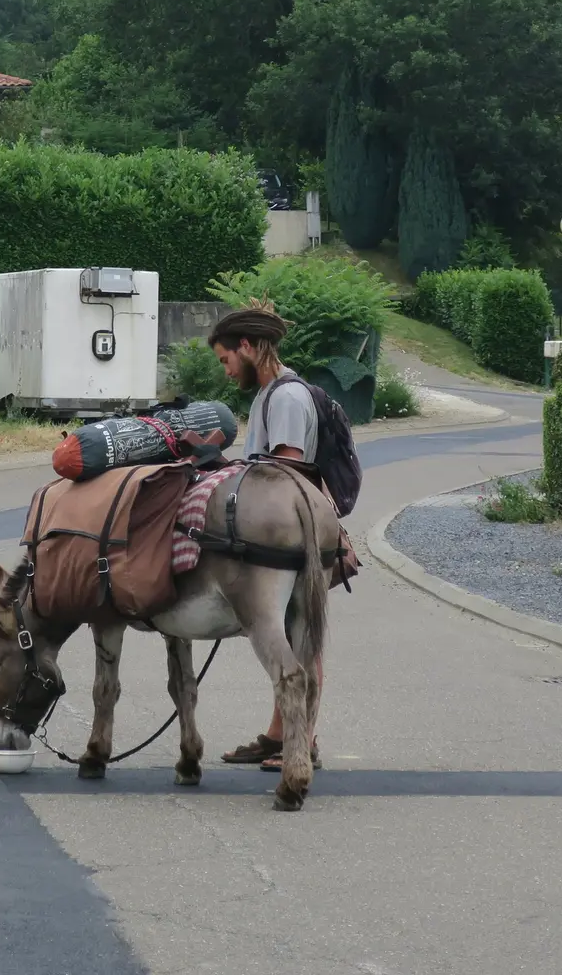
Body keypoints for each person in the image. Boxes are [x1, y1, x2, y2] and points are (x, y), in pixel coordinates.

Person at [207, 303, 325, 773]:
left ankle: (304, 741)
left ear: (249, 347)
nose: (226, 369)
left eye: (226, 359)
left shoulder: (288, 399)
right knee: (287, 635)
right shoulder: (268, 395)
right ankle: (279, 736)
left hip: (287, 535)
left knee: (302, 639)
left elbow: (286, 472)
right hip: (283, 532)